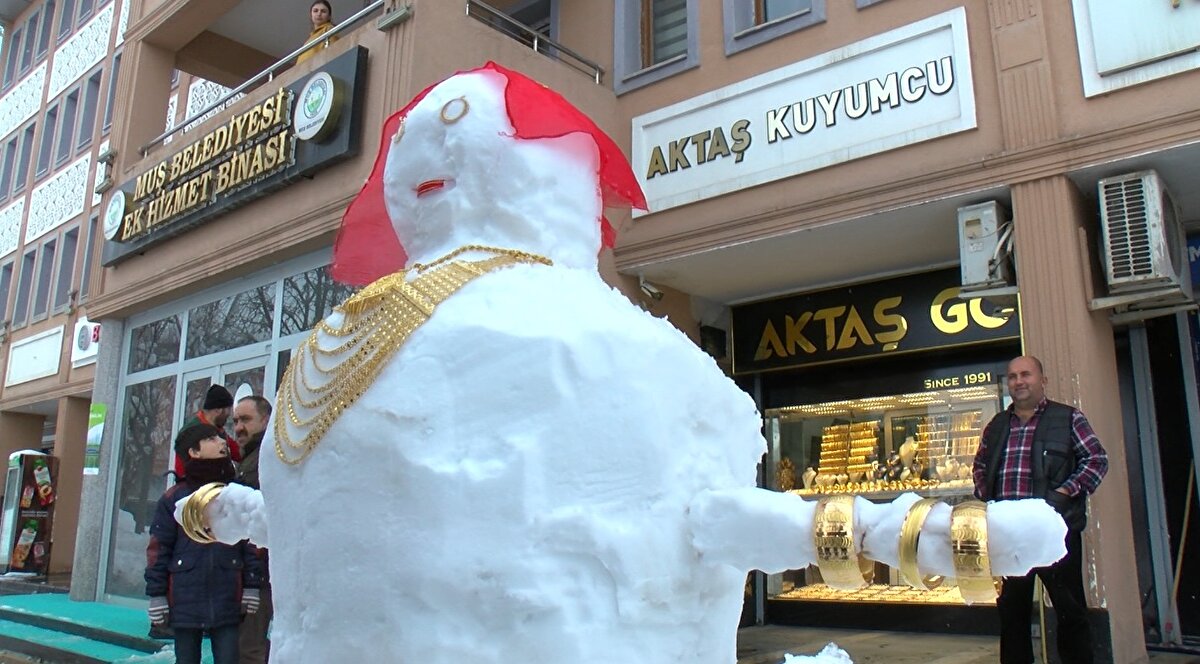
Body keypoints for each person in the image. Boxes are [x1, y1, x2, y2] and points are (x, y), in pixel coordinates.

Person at [972, 355, 1109, 664]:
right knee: (1012, 613)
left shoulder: (1068, 418)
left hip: (1054, 533)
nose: (1018, 381)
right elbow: (980, 465)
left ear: (1042, 380)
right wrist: (986, 493)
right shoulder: (997, 425)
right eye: (1012, 376)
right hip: (1008, 536)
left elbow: (1096, 460)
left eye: (1026, 374)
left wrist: (1064, 493)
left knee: (1069, 610)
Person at [146, 424, 263, 664]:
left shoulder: (236, 491)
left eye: (221, 437)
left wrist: (252, 585)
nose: (222, 442)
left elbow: (251, 541)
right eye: (211, 438)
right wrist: (157, 595)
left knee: (229, 658)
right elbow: (159, 549)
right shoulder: (175, 497)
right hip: (185, 594)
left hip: (228, 594)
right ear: (194, 452)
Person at [232, 396, 273, 663]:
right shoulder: (249, 458)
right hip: (250, 569)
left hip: (261, 570)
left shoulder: (267, 459)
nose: (238, 427)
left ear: (266, 420)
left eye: (246, 419)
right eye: (236, 421)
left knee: (249, 647)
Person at [174, 385, 241, 479]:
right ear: (219, 410)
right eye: (228, 409)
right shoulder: (191, 432)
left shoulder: (217, 430)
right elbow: (181, 467)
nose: (230, 414)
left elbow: (237, 452)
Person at [296, 0, 337, 64]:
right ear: (311, 15)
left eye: (323, 11)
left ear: (329, 16)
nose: (319, 14)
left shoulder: (329, 30)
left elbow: (333, 53)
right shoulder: (310, 38)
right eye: (315, 11)